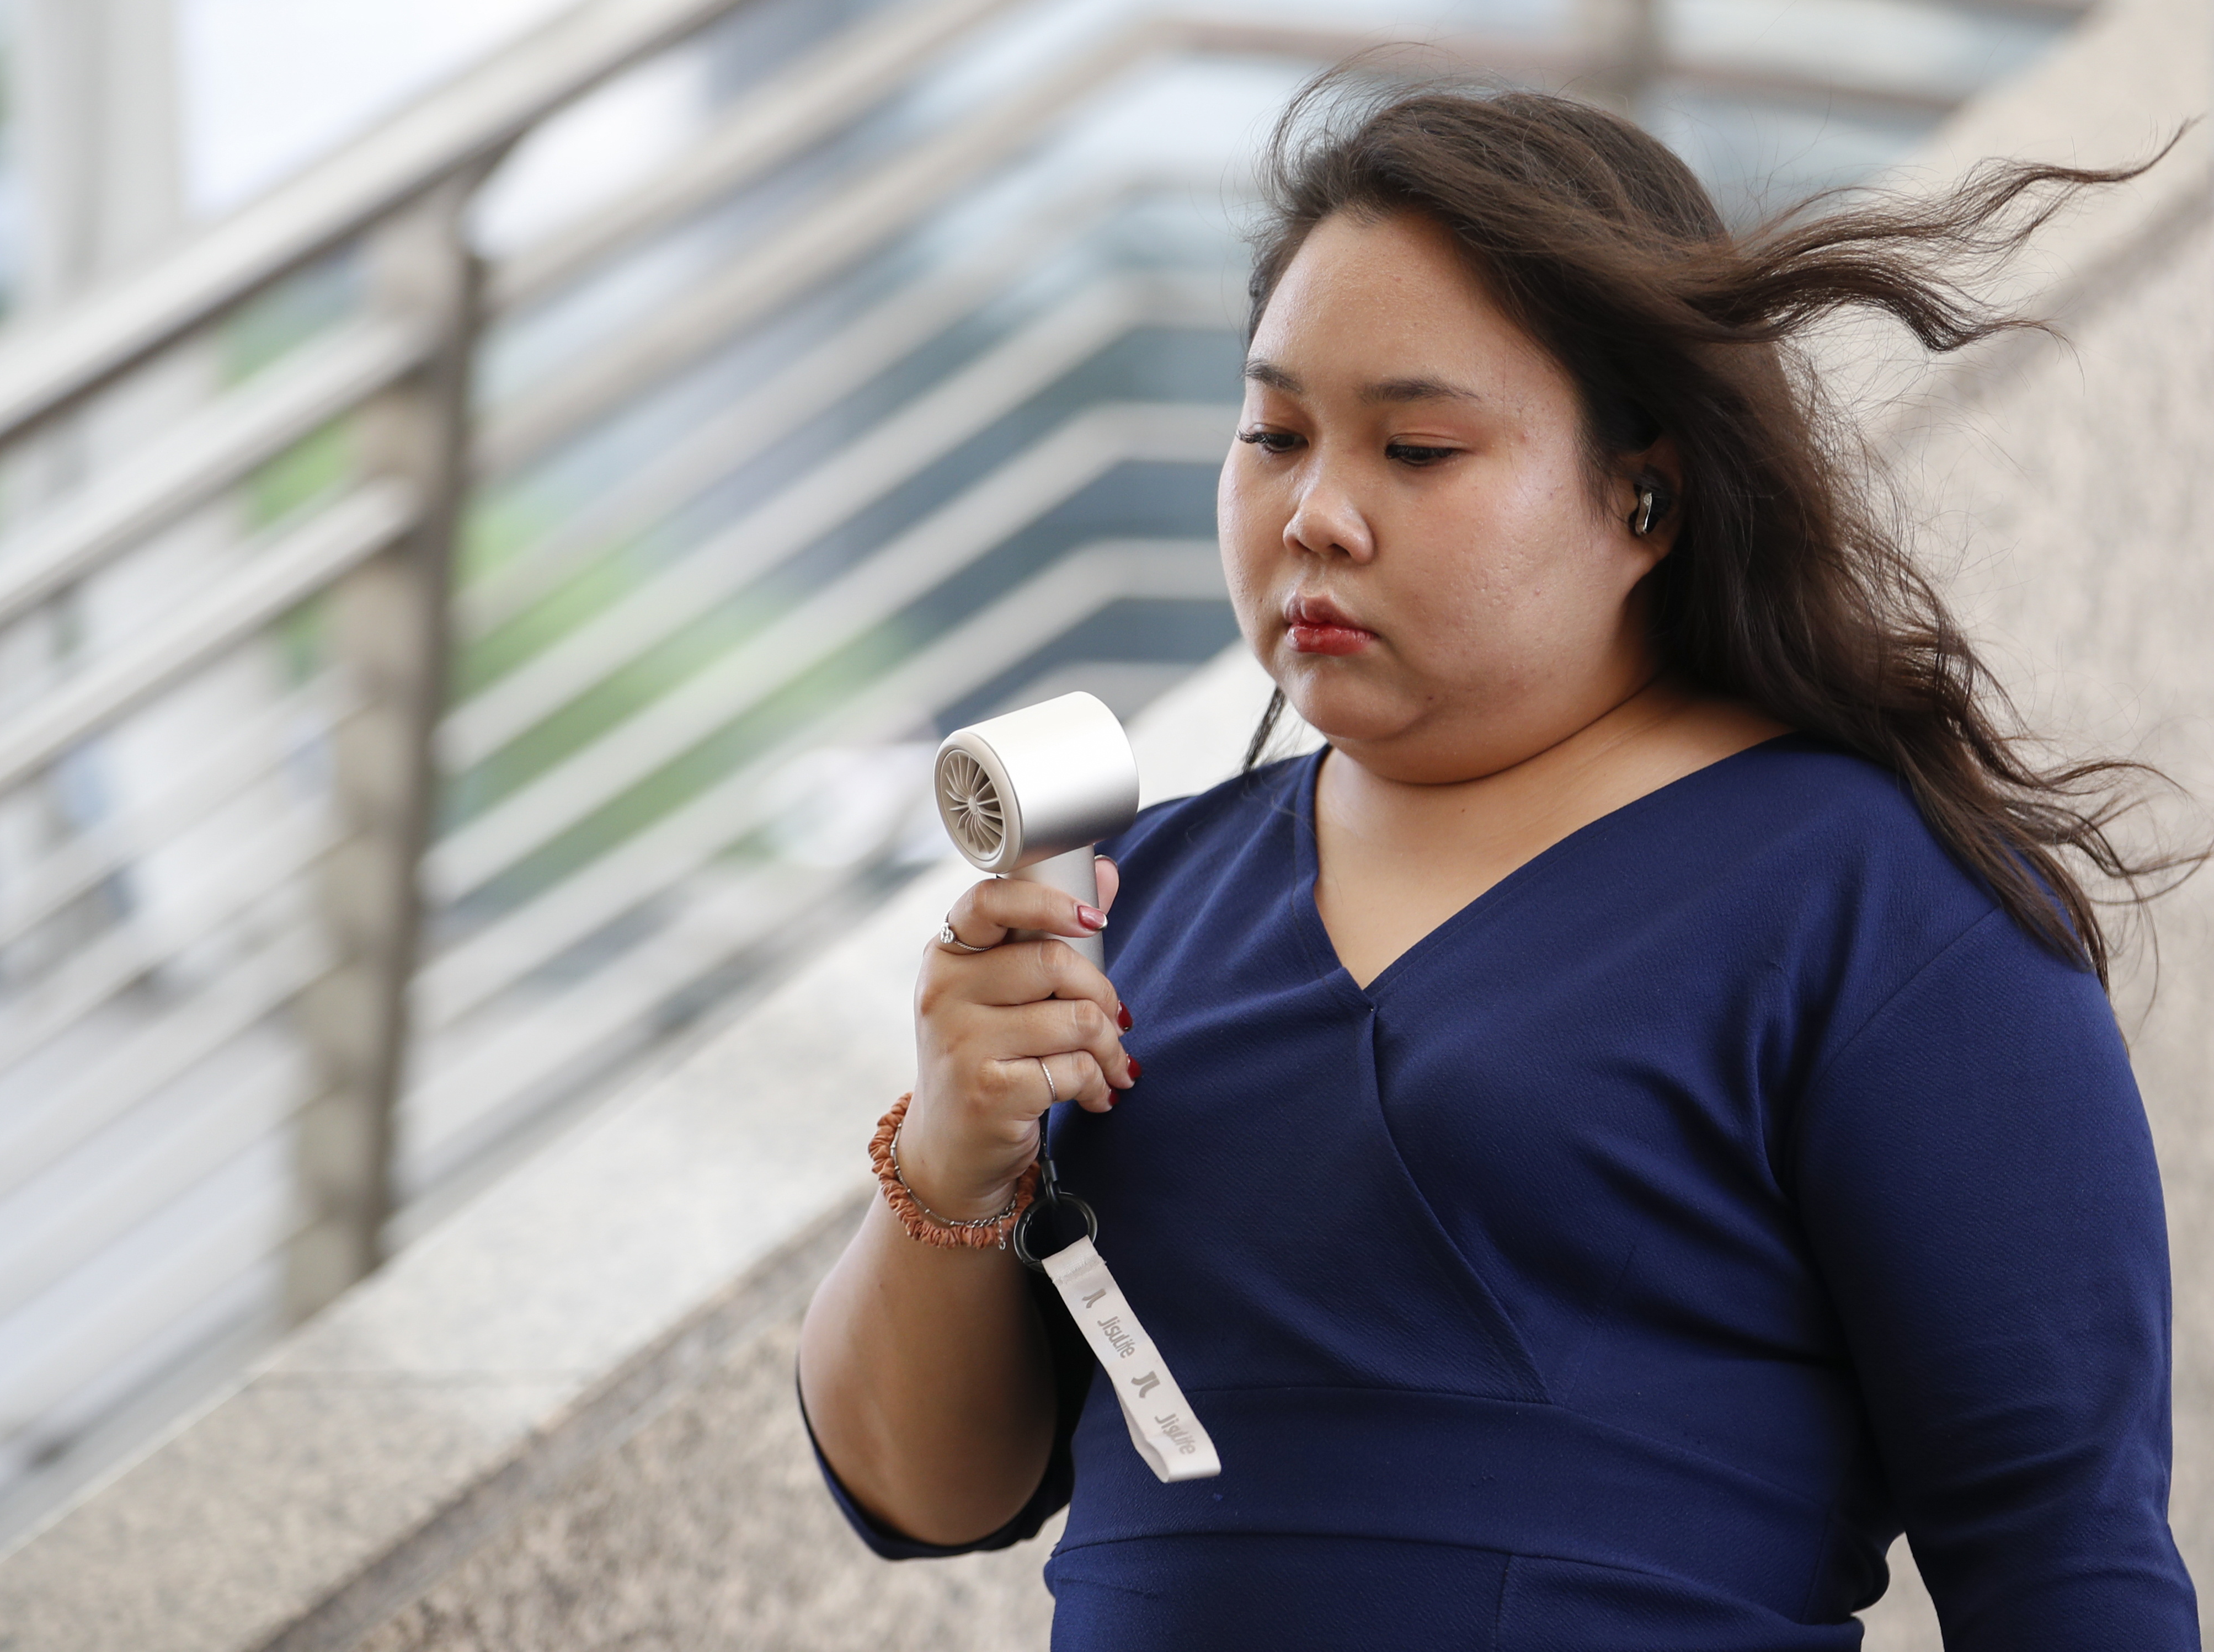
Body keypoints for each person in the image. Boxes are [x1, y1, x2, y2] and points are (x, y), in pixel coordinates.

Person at [796, 80, 2201, 1650]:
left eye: (1415, 446)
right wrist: (952, 1150)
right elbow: (926, 1494)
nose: (1315, 512)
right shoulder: (1137, 897)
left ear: (1643, 489)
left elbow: (2061, 1550)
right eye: (1270, 434)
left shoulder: (1885, 901)